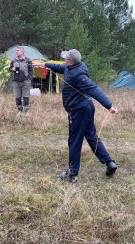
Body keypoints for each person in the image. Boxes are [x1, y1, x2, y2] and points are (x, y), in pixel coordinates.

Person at [34, 49, 118, 183]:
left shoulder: (79, 75)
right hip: (86, 107)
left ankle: (72, 174)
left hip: (80, 110)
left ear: (70, 61)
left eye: (66, 58)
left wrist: (109, 106)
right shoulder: (75, 66)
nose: (64, 60)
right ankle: (109, 162)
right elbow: (61, 68)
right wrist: (45, 65)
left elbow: (94, 89)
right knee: (91, 136)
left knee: (74, 140)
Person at [9, 46, 33, 113]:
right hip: (16, 81)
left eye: (18, 50)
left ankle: (26, 111)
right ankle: (20, 111)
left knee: (26, 97)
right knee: (17, 97)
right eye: (16, 50)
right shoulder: (14, 60)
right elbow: (10, 69)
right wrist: (12, 69)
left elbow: (31, 70)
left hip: (25, 81)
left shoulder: (28, 60)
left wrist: (29, 79)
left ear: (22, 52)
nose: (16, 52)